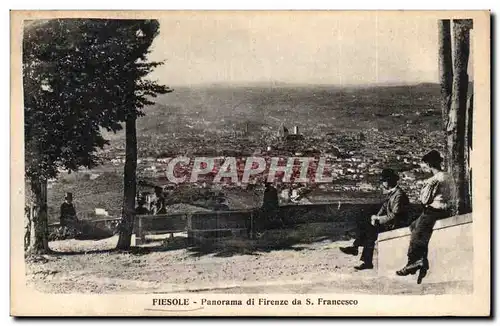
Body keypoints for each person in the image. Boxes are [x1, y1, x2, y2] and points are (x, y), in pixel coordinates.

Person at [396, 150, 452, 281]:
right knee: (414, 226)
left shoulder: (434, 179)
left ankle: (414, 262)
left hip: (434, 211)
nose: (425, 167)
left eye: (425, 164)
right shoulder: (449, 176)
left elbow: (425, 200)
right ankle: (422, 261)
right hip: (446, 210)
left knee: (417, 233)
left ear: (428, 164)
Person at [340, 168, 410, 270]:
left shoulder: (398, 195)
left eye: (384, 181)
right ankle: (357, 250)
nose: (382, 184)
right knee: (369, 226)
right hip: (392, 222)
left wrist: (378, 219)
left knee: (370, 230)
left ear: (389, 181)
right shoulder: (393, 193)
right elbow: (383, 207)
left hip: (397, 224)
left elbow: (395, 215)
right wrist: (375, 217)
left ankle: (359, 252)